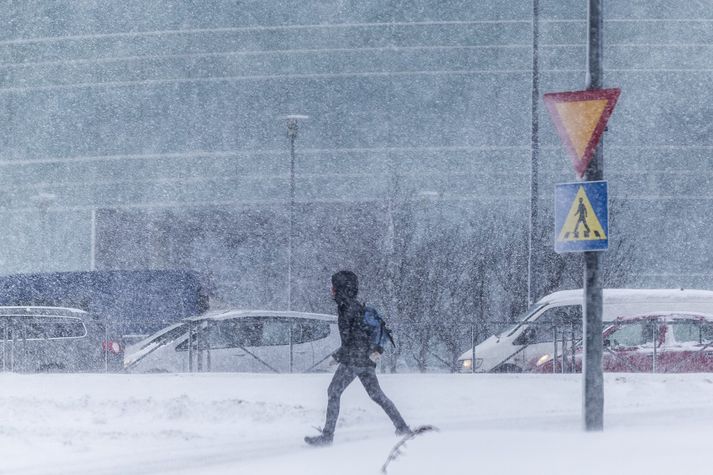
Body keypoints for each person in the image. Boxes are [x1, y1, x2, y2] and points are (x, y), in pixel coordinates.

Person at [305, 270, 411, 446]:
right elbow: (357, 337)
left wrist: (340, 356)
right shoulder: (353, 307)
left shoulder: (348, 308)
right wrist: (346, 355)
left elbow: (354, 339)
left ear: (340, 288)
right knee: (376, 395)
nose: (331, 290)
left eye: (333, 286)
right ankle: (402, 426)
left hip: (354, 360)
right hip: (365, 360)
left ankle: (327, 436)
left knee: (333, 392)